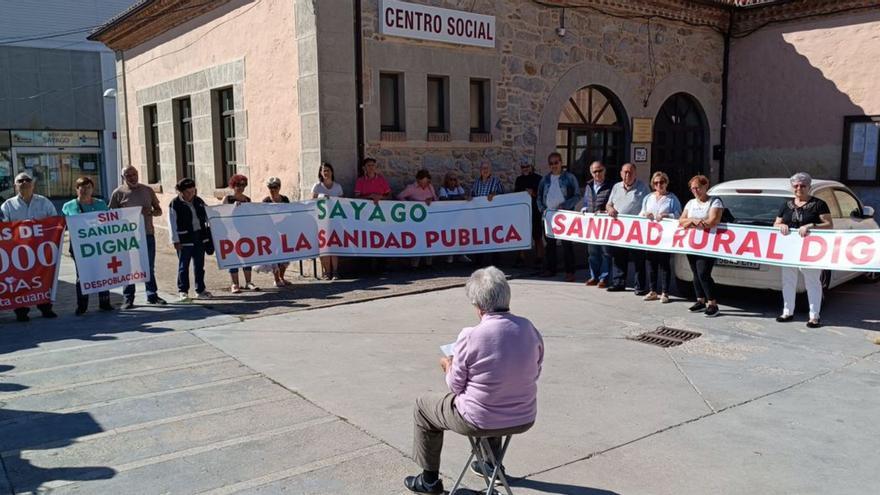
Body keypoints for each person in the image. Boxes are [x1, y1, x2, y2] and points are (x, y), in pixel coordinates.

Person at [404, 267, 543, 494]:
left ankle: (429, 480)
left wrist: (448, 365)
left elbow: (455, 386)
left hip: (480, 419)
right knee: (495, 391)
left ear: (478, 306)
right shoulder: (529, 328)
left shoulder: (471, 335)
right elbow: (534, 372)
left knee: (423, 406)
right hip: (523, 416)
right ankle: (490, 465)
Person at [773, 172, 832, 328]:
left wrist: (811, 225)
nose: (799, 188)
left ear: (809, 187)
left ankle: (814, 316)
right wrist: (782, 225)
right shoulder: (786, 204)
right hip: (789, 250)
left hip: (811, 250)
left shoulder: (819, 204)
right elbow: (776, 223)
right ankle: (787, 312)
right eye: (796, 185)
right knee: (788, 281)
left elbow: (829, 224)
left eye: (803, 185)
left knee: (812, 282)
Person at [1, 172, 59, 321]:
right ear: (15, 185)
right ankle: (21, 311)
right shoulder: (7, 205)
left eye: (28, 180)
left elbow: (54, 221)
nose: (24, 182)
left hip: (41, 250)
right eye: (21, 180)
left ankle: (45, 308)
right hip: (18, 252)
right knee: (20, 280)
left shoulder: (44, 202)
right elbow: (3, 228)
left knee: (43, 277)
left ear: (33, 184)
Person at [109, 166, 165, 308]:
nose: (133, 177)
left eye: (134, 174)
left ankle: (152, 295)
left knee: (148, 266)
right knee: (128, 267)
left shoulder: (147, 190)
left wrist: (151, 212)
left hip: (147, 234)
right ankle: (128, 297)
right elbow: (111, 216)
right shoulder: (117, 193)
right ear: (123, 177)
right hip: (127, 237)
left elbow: (159, 211)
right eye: (129, 175)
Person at [62, 177, 113, 315]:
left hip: (99, 245)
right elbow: (64, 226)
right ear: (76, 189)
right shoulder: (68, 206)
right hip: (79, 247)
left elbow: (109, 223)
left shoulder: (101, 204)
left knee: (102, 272)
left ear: (92, 189)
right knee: (82, 275)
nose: (85, 190)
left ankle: (105, 302)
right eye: (82, 187)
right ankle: (82, 305)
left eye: (88, 187)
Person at [679, 175, 723, 317]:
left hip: (708, 243)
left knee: (703, 272)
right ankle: (700, 300)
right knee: (695, 272)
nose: (695, 191)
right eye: (692, 188)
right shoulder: (691, 203)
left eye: (698, 187)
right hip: (692, 242)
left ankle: (713, 303)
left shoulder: (715, 201)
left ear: (705, 186)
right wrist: (694, 220)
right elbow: (682, 221)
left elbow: (713, 220)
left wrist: (694, 222)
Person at [606, 163, 650, 294]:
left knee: (638, 258)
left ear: (635, 174)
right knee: (618, 257)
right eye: (625, 172)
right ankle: (618, 283)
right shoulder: (616, 187)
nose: (627, 175)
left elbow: (648, 207)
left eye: (630, 172)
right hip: (618, 229)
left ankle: (640, 286)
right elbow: (609, 204)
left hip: (636, 229)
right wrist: (610, 209)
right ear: (621, 173)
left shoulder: (643, 188)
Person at [537, 152, 581, 282]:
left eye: (556, 162)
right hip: (549, 217)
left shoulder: (569, 178)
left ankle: (570, 272)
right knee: (550, 245)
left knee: (567, 244)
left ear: (561, 162)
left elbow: (577, 195)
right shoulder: (545, 180)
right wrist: (542, 210)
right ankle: (550, 269)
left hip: (564, 216)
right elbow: (539, 197)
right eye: (551, 163)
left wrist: (566, 205)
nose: (554, 165)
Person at [639, 172, 682, 304]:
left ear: (666, 183)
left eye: (662, 182)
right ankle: (652, 291)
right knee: (651, 263)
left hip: (665, 237)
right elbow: (640, 213)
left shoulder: (672, 198)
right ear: (653, 184)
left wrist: (666, 215)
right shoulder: (648, 198)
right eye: (656, 183)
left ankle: (665, 292)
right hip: (650, 236)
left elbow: (679, 215)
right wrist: (646, 214)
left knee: (664, 264)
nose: (659, 185)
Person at [169, 178, 213, 302]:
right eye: (188, 192)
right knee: (184, 266)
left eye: (193, 191)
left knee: (199, 265)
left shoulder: (199, 201)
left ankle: (200, 290)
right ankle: (183, 291)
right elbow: (172, 223)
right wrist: (175, 240)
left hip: (199, 237)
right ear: (181, 192)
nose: (191, 194)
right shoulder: (175, 204)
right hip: (184, 239)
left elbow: (209, 214)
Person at [223, 174, 259, 293]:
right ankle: (235, 283)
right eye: (238, 185)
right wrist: (233, 208)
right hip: (231, 233)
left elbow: (251, 216)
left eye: (243, 185)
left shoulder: (247, 199)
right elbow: (222, 216)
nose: (241, 187)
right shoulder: (227, 199)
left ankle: (248, 282)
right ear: (233, 185)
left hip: (245, 231)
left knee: (246, 256)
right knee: (233, 257)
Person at [354, 158, 392, 273]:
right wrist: (370, 197)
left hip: (381, 216)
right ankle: (366, 268)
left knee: (381, 239)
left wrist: (380, 197)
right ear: (364, 168)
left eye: (373, 165)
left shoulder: (381, 180)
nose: (371, 167)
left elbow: (389, 195)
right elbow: (356, 197)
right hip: (365, 216)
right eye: (369, 165)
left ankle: (381, 267)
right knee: (366, 240)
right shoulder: (360, 181)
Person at [398, 170, 439, 269]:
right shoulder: (411, 188)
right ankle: (414, 265)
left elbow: (436, 200)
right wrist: (412, 205)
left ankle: (429, 263)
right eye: (423, 182)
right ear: (418, 180)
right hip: (416, 219)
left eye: (427, 182)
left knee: (430, 240)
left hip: (429, 218)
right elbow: (399, 196)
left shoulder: (430, 187)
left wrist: (432, 200)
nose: (425, 184)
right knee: (417, 240)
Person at [581, 161, 613, 288]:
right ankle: (594, 276)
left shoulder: (611, 186)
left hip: (605, 225)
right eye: (595, 171)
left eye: (600, 170)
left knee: (605, 252)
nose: (597, 174)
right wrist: (584, 208)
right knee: (592, 252)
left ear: (604, 171)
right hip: (592, 225)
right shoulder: (588, 186)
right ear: (591, 173)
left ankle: (604, 278)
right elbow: (586, 202)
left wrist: (605, 211)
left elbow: (613, 204)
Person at [514, 161, 544, 267]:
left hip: (535, 210)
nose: (525, 168)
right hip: (523, 211)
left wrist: (533, 193)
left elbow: (542, 195)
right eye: (523, 167)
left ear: (531, 166)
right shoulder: (519, 180)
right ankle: (521, 257)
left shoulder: (539, 178)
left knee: (537, 235)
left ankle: (540, 257)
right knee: (521, 234)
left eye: (527, 166)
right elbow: (515, 194)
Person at [264, 176, 293, 287]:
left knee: (286, 255)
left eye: (275, 187)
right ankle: (276, 279)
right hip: (271, 232)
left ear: (279, 187)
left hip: (284, 231)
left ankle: (282, 277)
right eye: (270, 187)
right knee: (274, 256)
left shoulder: (285, 199)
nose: (273, 189)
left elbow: (291, 213)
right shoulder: (266, 201)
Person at [437, 172, 471, 264]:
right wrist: (459, 198)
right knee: (450, 236)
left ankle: (462, 254)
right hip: (447, 217)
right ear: (446, 180)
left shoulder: (458, 189)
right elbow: (444, 200)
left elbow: (464, 196)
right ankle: (450, 257)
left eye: (454, 180)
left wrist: (458, 187)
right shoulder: (443, 189)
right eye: (450, 179)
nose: (452, 181)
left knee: (461, 234)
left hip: (458, 216)